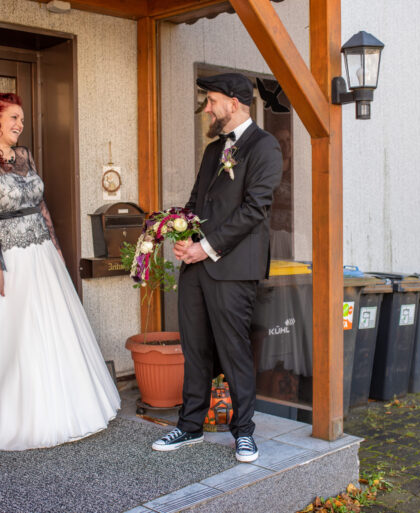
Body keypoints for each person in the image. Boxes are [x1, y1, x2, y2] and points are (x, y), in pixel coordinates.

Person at [0, 92, 120, 450]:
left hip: (42, 256)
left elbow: (42, 206)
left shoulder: (25, 156)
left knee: (53, 330)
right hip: (10, 261)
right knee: (15, 336)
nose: (21, 125)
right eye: (14, 118)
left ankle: (67, 408)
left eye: (21, 118)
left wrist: (57, 250)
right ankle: (18, 417)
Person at [151, 74, 282, 462]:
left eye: (211, 101)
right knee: (195, 350)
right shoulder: (213, 151)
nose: (207, 108)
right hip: (195, 270)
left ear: (236, 102)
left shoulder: (265, 147)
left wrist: (204, 248)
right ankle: (190, 427)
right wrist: (180, 231)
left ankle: (243, 432)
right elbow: (196, 202)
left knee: (234, 351)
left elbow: (254, 209)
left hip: (233, 268)